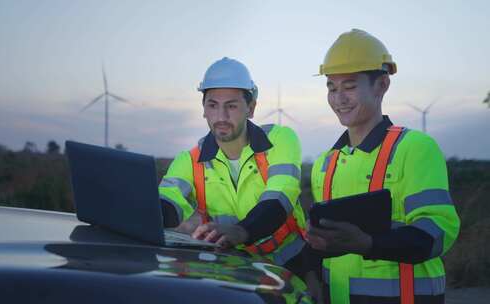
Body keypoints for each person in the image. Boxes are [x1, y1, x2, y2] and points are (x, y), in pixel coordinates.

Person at [306, 29, 460, 304]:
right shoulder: (324, 164)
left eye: (350, 86)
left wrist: (368, 244)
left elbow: (438, 231)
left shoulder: (414, 148)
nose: (339, 98)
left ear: (382, 85)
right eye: (331, 87)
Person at [158, 57, 312, 279]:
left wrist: (240, 231)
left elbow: (279, 199)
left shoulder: (280, 140)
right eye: (212, 105)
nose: (221, 116)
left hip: (291, 267)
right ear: (203, 109)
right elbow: (166, 205)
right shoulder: (189, 161)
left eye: (231, 106)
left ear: (251, 108)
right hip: (233, 270)